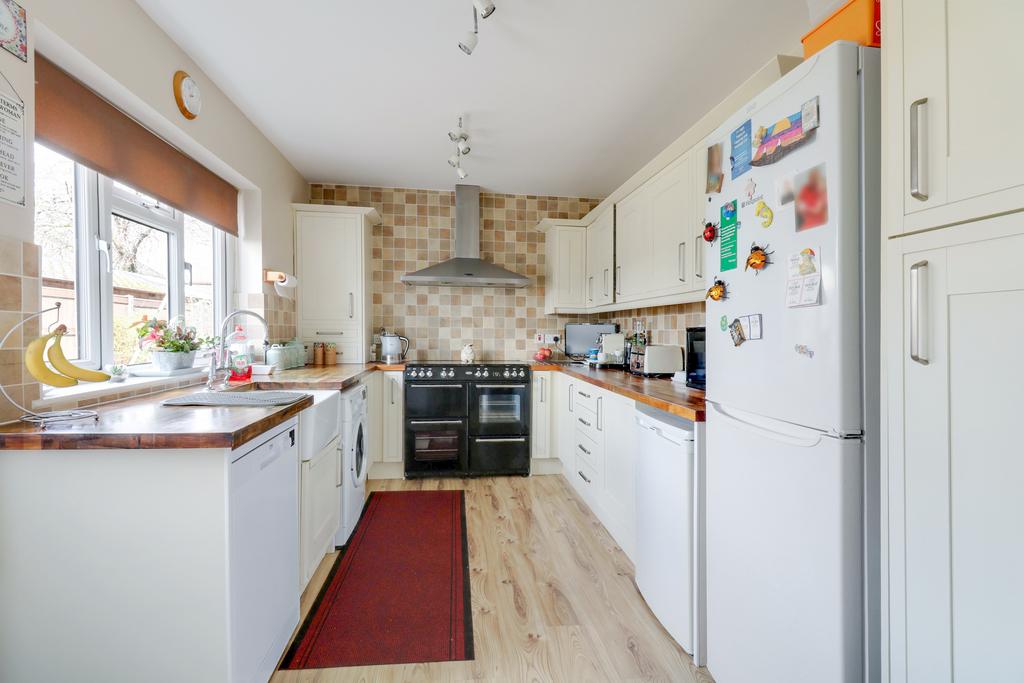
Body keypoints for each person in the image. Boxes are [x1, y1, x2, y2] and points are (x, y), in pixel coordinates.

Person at [796, 166, 828, 230]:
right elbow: (798, 204)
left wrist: (805, 208)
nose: (813, 179)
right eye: (811, 177)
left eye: (815, 177)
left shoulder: (823, 193)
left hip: (818, 224)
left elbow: (817, 209)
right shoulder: (805, 188)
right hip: (805, 223)